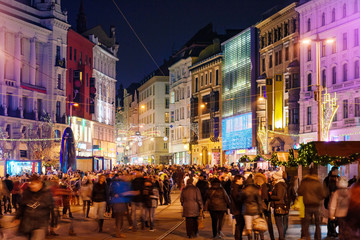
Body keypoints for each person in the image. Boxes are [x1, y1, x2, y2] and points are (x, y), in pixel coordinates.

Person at [15, 175, 54, 240]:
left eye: (34, 184)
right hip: (28, 223)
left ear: (40, 183)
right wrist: (17, 217)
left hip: (41, 224)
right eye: (31, 184)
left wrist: (53, 223)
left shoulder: (46, 193)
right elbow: (22, 206)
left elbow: (52, 208)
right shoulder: (27, 193)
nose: (33, 186)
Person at [298, 167, 327, 240]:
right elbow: (323, 194)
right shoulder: (318, 183)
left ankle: (307, 237)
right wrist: (318, 198)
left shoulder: (305, 182)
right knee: (317, 223)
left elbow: (299, 192)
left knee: (306, 223)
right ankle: (318, 237)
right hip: (316, 205)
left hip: (307, 205)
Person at [110, 174, 134, 238]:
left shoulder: (118, 184)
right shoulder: (119, 184)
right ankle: (118, 233)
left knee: (119, 219)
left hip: (120, 203)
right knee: (119, 219)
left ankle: (118, 232)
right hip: (118, 203)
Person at [254, 173, 274, 240]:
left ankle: (258, 237)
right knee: (269, 223)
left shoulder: (255, 187)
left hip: (258, 207)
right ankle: (272, 237)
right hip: (266, 206)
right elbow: (270, 197)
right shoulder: (267, 186)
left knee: (258, 222)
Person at [270, 171, 288, 240]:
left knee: (279, 223)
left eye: (274, 177)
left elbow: (279, 197)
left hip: (278, 206)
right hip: (279, 205)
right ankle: (281, 237)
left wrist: (271, 196)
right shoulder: (280, 184)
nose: (273, 179)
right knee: (280, 223)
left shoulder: (279, 185)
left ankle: (281, 237)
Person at [323, 166, 339, 238]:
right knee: (331, 217)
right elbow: (325, 190)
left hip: (333, 201)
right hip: (329, 200)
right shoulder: (327, 179)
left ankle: (332, 231)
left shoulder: (338, 178)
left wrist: (352, 180)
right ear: (333, 171)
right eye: (337, 171)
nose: (338, 172)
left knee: (333, 218)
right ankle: (331, 232)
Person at [230, 175, 245, 240]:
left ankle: (239, 237)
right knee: (239, 224)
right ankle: (238, 237)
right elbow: (237, 199)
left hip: (238, 208)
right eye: (241, 179)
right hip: (237, 209)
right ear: (237, 180)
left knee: (241, 223)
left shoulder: (237, 188)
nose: (242, 180)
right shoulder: (235, 188)